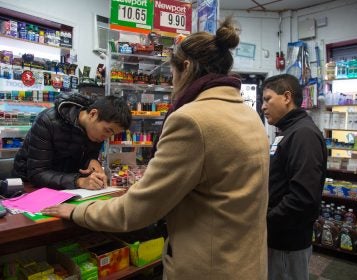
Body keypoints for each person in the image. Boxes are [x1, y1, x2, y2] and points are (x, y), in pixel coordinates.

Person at [42, 17, 270, 279]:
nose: (172, 84)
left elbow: (139, 209)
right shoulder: (248, 114)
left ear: (186, 67)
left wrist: (78, 211)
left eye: (171, 74)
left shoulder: (192, 120)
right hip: (247, 263)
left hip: (208, 267)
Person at [261, 74, 327, 280]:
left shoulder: (303, 134)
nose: (263, 106)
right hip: (278, 238)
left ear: (287, 97)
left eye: (267, 99)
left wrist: (265, 222)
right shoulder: (287, 131)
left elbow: (303, 198)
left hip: (287, 242)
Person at [12, 93, 131, 190]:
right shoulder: (47, 121)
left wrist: (92, 161)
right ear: (93, 114)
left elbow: (86, 155)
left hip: (66, 189)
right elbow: (37, 174)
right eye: (107, 130)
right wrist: (79, 181)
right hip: (28, 187)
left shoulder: (95, 132)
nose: (106, 137)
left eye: (112, 134)